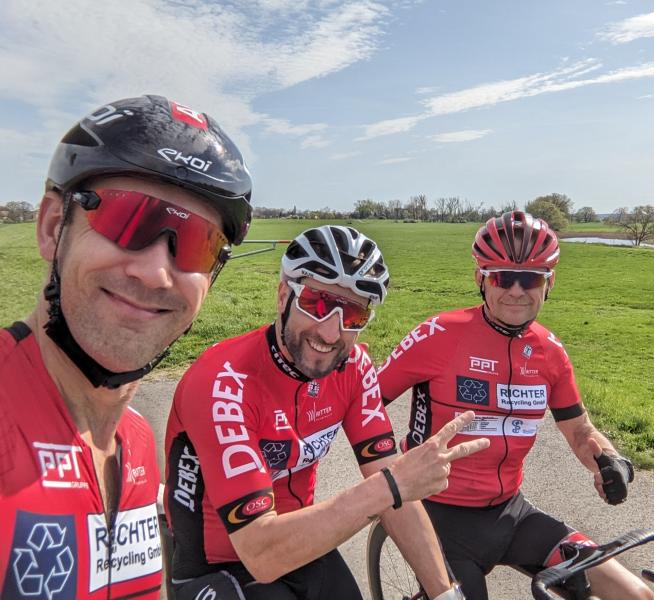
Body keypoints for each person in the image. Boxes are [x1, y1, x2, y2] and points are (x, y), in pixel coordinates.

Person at [0, 95, 253, 599]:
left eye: (196, 243)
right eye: (127, 219)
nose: (156, 272)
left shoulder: (135, 441)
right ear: (52, 228)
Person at [164, 224, 487, 600]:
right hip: (218, 565)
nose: (331, 333)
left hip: (304, 543)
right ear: (283, 295)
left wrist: (446, 594)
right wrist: (393, 486)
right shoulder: (223, 382)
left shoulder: (354, 367)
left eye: (353, 315)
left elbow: (396, 493)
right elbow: (262, 553)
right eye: (316, 304)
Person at [378, 211, 654, 600]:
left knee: (635, 595)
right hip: (437, 515)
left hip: (511, 514)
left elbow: (580, 430)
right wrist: (391, 476)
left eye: (530, 279)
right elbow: (365, 406)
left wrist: (611, 462)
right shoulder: (437, 335)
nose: (516, 291)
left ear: (549, 283)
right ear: (480, 279)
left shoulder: (550, 352)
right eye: (502, 277)